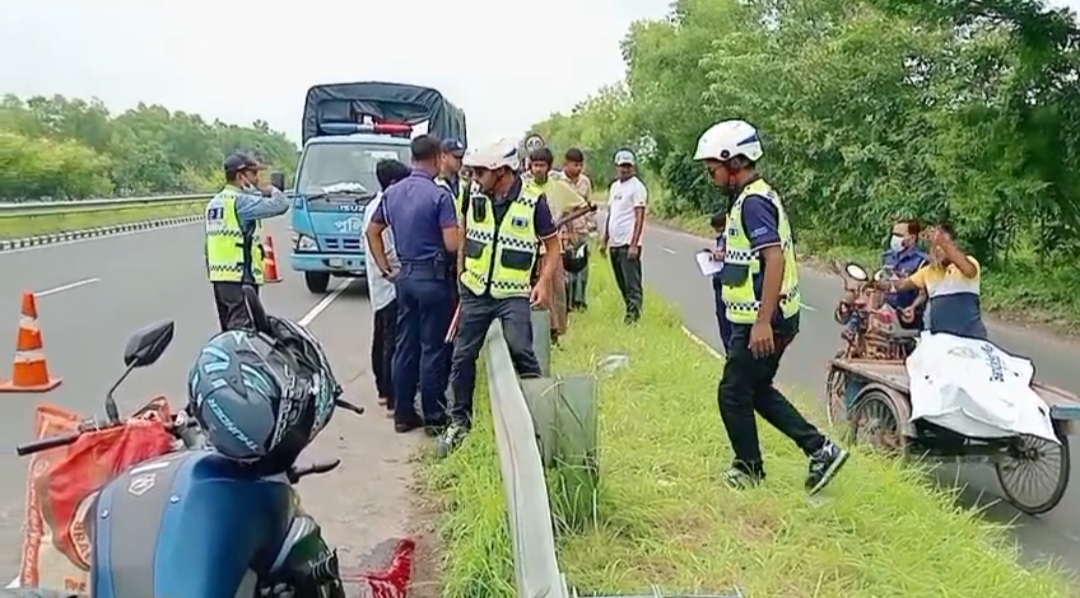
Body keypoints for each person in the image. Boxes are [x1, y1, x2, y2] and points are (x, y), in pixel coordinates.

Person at [693, 119, 848, 493]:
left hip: (764, 321)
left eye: (713, 168)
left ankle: (749, 469)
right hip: (764, 318)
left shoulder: (754, 203)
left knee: (732, 393)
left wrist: (763, 322)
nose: (711, 176)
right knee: (755, 390)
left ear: (733, 162)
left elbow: (774, 259)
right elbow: (753, 258)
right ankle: (820, 449)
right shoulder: (748, 199)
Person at [438, 138, 561, 456]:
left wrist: (544, 283)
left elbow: (552, 246)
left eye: (481, 173)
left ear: (502, 172)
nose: (475, 178)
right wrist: (461, 277)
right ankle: (459, 424)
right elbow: (464, 235)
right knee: (463, 356)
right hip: (476, 291)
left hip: (513, 295)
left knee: (523, 351)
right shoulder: (471, 194)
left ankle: (539, 422)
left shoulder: (534, 202)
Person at [366, 135, 458, 434]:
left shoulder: (392, 194)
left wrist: (384, 267)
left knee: (405, 346)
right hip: (433, 278)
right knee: (432, 347)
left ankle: (403, 413)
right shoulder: (439, 196)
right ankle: (433, 416)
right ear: (436, 157)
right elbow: (451, 243)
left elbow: (373, 231)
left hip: (404, 277)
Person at [205, 152, 290, 332]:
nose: (257, 178)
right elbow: (281, 204)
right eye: (254, 174)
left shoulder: (215, 202)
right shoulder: (241, 201)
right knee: (242, 333)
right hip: (240, 276)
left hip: (220, 278)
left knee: (228, 330)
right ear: (241, 176)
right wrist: (269, 189)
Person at [874, 222, 987, 340]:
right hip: (940, 340)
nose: (939, 249)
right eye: (935, 246)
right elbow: (900, 285)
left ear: (954, 245)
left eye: (944, 245)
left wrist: (942, 242)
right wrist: (874, 284)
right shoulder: (928, 271)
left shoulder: (969, 263)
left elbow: (969, 270)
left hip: (971, 339)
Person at [362, 159, 411, 414]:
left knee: (381, 335)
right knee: (391, 340)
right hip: (389, 281)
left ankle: (383, 389)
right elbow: (388, 247)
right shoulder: (384, 208)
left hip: (381, 282)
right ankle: (391, 395)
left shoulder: (374, 205)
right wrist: (398, 271)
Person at [524, 147, 579, 341]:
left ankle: (555, 334)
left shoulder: (559, 187)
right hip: (529, 249)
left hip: (552, 249)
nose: (538, 169)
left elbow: (582, 206)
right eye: (535, 165)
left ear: (548, 167)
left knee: (556, 292)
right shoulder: (524, 189)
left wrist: (562, 223)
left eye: (542, 165)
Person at [600, 149, 647, 324]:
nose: (624, 169)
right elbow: (611, 214)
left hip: (628, 243)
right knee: (621, 282)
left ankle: (633, 316)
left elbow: (639, 216)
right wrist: (604, 240)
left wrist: (634, 244)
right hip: (615, 243)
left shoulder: (637, 188)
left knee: (631, 283)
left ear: (633, 167)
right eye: (622, 166)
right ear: (616, 167)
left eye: (628, 166)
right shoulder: (615, 187)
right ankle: (629, 310)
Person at [709, 211, 732, 351]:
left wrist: (723, 255)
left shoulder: (732, 237)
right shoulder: (721, 239)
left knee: (728, 322)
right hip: (719, 280)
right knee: (721, 318)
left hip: (728, 281)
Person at [436, 138, 468, 218]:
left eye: (461, 157)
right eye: (456, 157)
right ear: (443, 157)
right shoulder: (434, 184)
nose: (460, 161)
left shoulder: (465, 184)